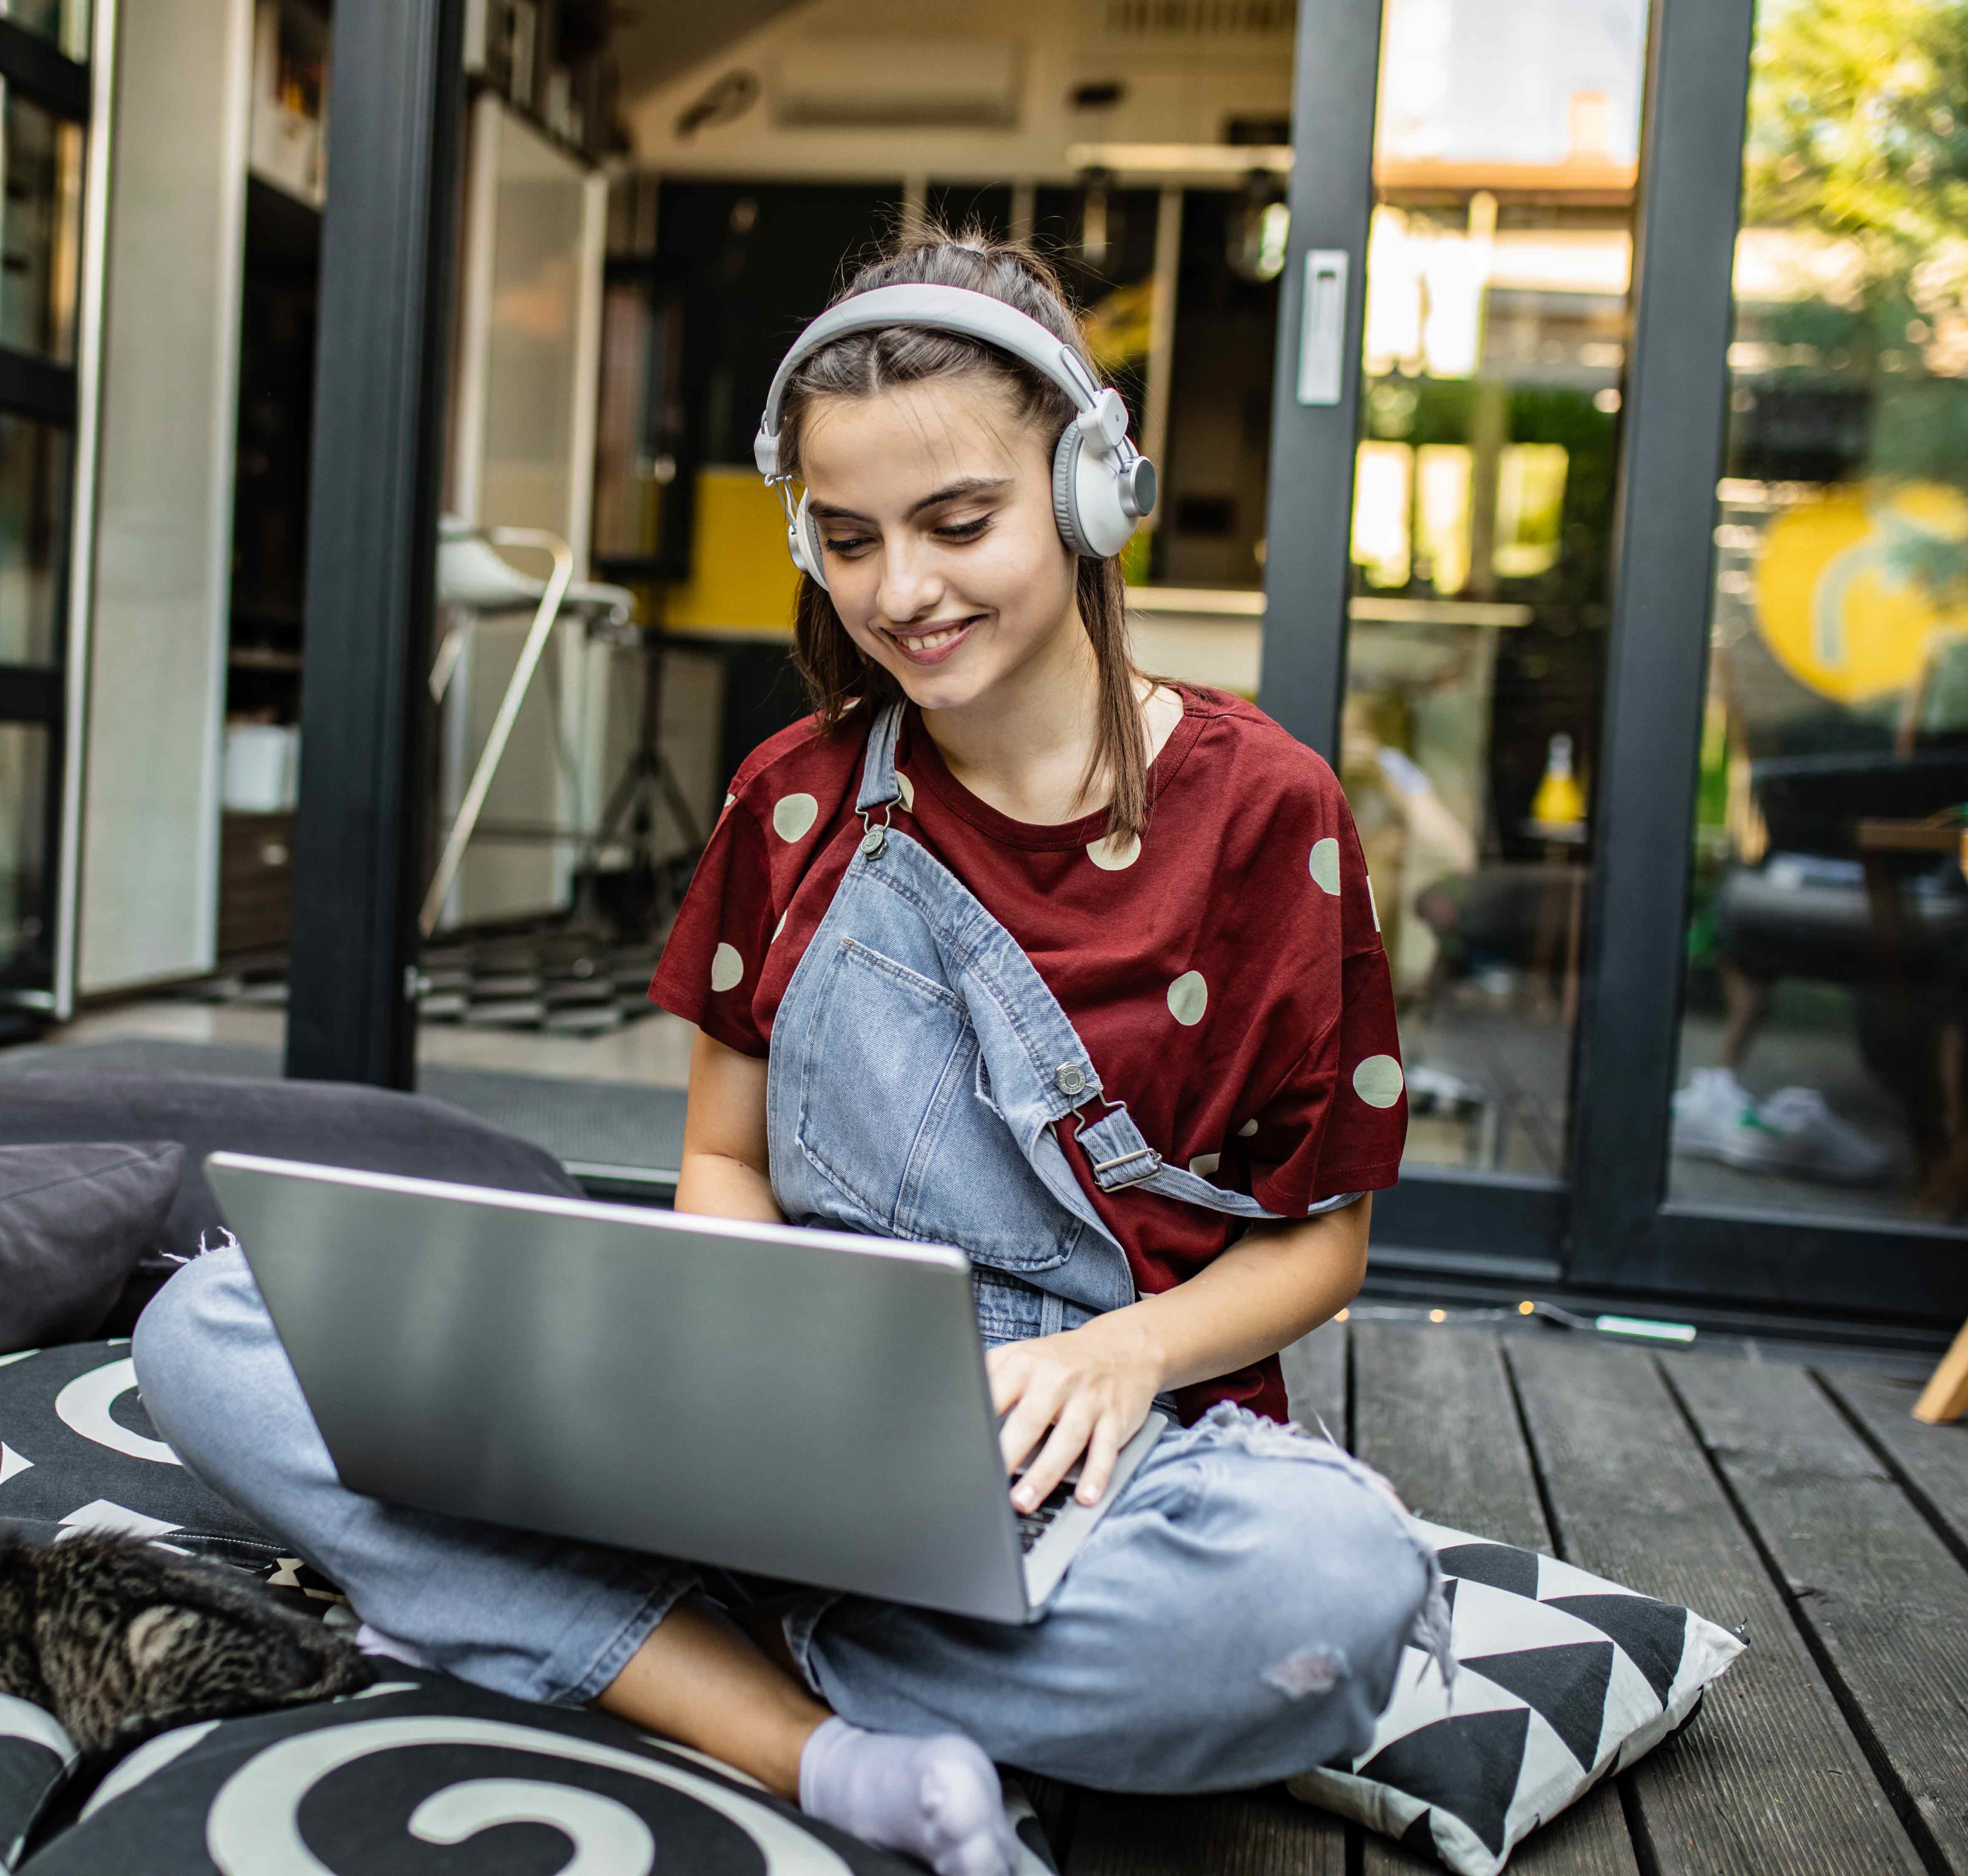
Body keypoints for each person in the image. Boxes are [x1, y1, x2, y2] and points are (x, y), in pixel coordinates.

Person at [135, 231, 1439, 1876]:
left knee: (1327, 1606)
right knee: (211, 1326)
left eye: (961, 522)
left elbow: (1321, 1242)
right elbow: (726, 1162)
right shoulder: (791, 799)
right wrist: (745, 1381)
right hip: (779, 1398)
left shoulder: (1270, 813)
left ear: (1095, 488)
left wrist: (1119, 1361)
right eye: (850, 538)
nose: (904, 589)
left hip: (1110, 1449)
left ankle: (590, 1628)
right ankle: (825, 1753)